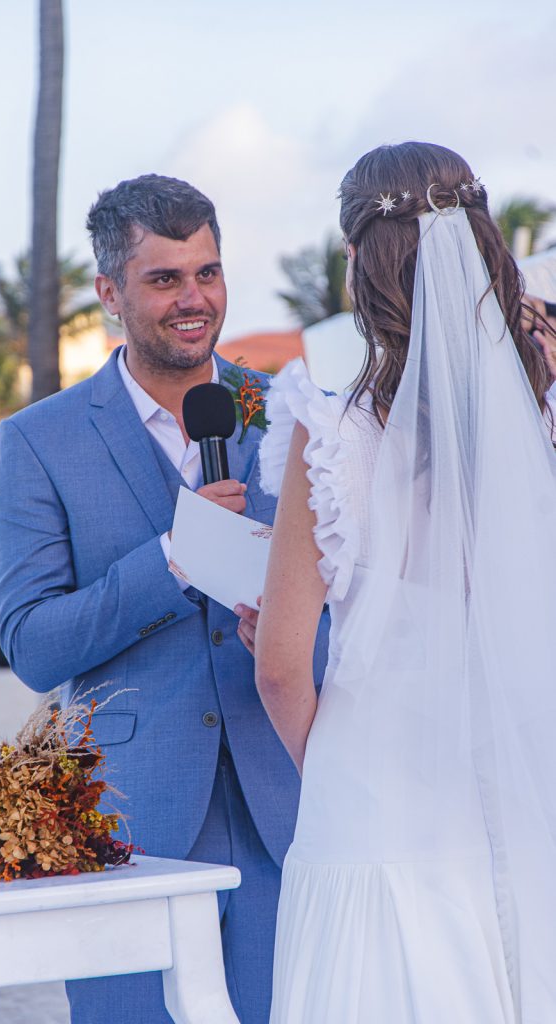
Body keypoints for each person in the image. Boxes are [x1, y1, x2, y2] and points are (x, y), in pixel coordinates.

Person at [0, 173, 329, 1024]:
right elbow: (33, 645)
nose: (193, 299)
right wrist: (175, 558)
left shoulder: (293, 415)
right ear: (109, 293)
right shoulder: (39, 441)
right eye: (164, 279)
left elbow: (358, 607)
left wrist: (290, 631)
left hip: (292, 808)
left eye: (207, 273)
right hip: (128, 827)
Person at [255, 142, 556, 1023]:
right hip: (505, 788)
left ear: (357, 261)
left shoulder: (332, 436)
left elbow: (279, 667)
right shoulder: (536, 420)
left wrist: (329, 768)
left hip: (370, 802)